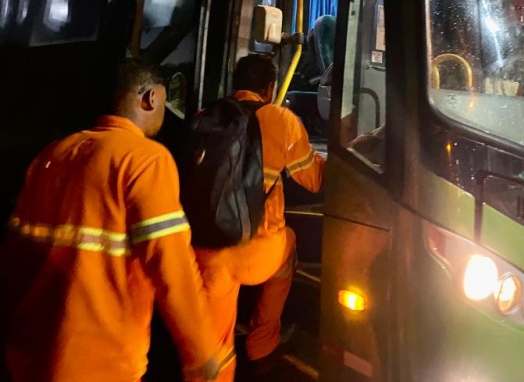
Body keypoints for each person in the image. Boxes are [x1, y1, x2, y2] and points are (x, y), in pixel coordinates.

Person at [0, 58, 226, 382]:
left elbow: (12, 257)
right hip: (102, 364)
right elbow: (172, 264)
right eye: (166, 100)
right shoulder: (145, 160)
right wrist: (201, 353)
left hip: (27, 357)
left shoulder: (53, 154)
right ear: (150, 98)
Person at [193, 54, 325, 380]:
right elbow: (315, 180)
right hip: (256, 254)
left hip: (204, 250)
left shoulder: (203, 116)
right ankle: (262, 341)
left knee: (212, 349)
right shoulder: (281, 120)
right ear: (269, 88)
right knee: (289, 242)